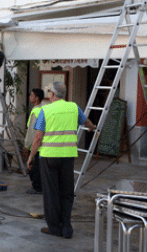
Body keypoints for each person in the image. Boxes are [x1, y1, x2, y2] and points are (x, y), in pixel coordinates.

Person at [27, 82, 96, 239]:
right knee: (66, 193)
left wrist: (31, 157)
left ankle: (54, 228)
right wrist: (92, 127)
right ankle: (66, 227)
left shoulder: (46, 110)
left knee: (51, 193)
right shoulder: (73, 107)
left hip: (49, 157)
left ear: (52, 94)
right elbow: (86, 122)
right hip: (67, 156)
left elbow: (38, 137)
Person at [24, 88, 46, 195]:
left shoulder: (36, 111)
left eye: (32, 95)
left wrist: (30, 146)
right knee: (39, 168)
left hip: (36, 146)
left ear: (36, 99)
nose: (30, 97)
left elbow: (33, 132)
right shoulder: (43, 109)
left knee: (34, 169)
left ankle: (37, 188)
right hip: (43, 146)